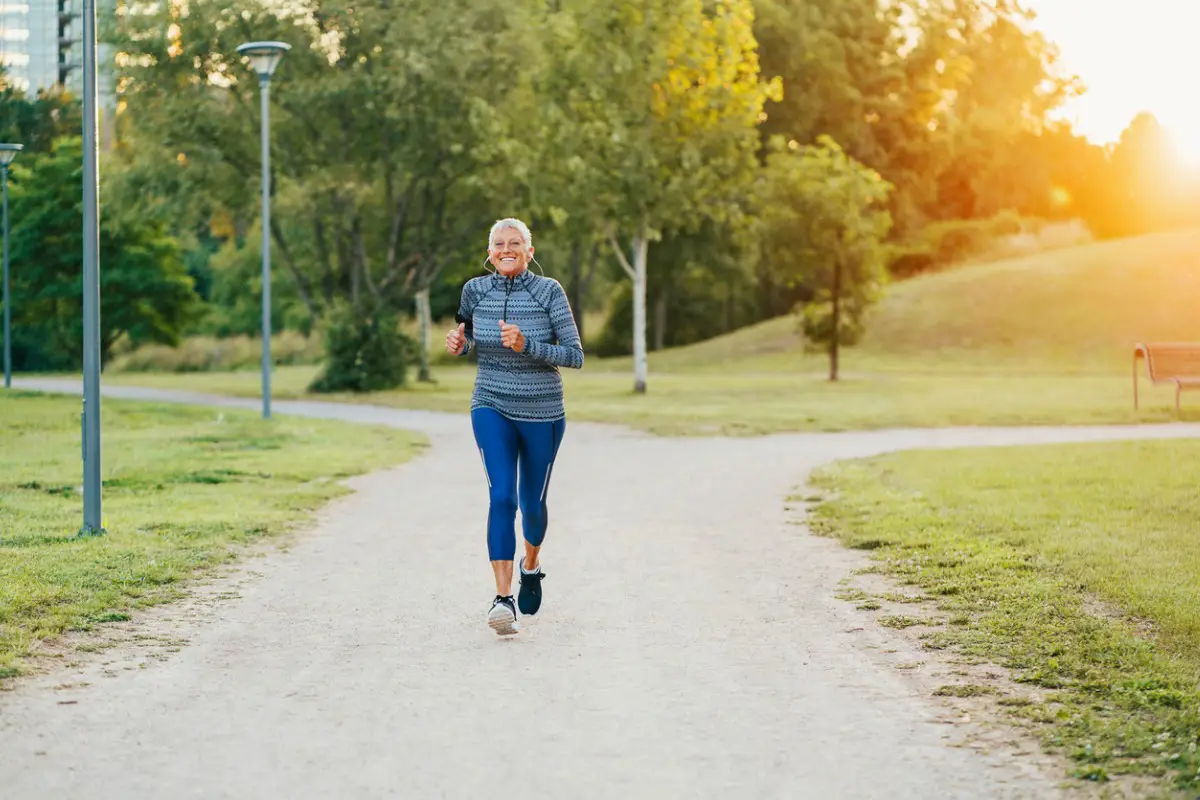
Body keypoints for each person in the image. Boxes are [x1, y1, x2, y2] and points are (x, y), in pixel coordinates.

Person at [445, 218, 584, 636]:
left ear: (530, 250)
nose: (507, 249)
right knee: (501, 496)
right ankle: (502, 599)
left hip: (543, 411)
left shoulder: (549, 291)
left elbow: (575, 356)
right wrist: (460, 345)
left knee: (533, 507)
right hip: (490, 404)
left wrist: (528, 346)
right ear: (490, 253)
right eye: (499, 244)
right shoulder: (474, 290)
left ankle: (532, 564)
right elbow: (468, 336)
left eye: (515, 243)